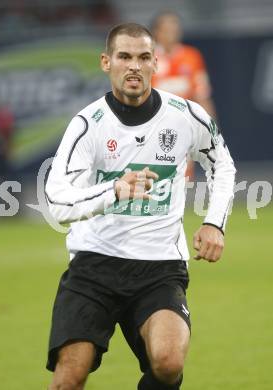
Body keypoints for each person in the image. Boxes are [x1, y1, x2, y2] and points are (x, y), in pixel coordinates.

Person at [45, 23, 236, 390]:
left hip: (159, 267)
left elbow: (222, 163)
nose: (134, 66)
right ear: (106, 62)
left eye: (144, 57)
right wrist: (113, 191)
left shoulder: (186, 116)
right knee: (69, 378)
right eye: (125, 57)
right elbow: (57, 201)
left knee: (168, 362)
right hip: (94, 264)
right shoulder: (88, 125)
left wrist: (215, 222)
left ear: (155, 64)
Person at [151, 12, 217, 178]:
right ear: (156, 32)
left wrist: (211, 127)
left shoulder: (192, 56)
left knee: (182, 179)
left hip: (184, 127)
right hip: (154, 127)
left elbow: (201, 93)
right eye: (166, 29)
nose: (171, 33)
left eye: (175, 29)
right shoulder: (147, 58)